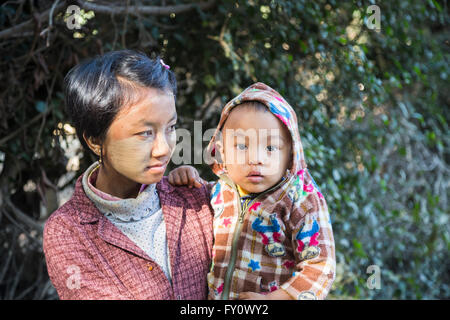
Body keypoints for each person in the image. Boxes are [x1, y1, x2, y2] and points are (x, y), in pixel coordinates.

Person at [43, 50, 213, 300]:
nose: (164, 149)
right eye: (145, 133)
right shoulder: (67, 232)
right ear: (95, 140)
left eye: (171, 127)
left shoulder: (194, 198)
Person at [168, 82, 336, 300]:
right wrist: (186, 176)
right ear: (222, 151)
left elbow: (320, 266)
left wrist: (274, 299)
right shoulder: (219, 193)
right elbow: (197, 198)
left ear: (290, 154)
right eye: (241, 146)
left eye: (270, 148)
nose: (255, 159)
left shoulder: (301, 201)